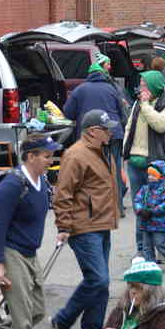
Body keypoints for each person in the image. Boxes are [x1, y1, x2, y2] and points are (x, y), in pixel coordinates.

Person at [52, 109, 120, 329]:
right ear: (93, 131)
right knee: (98, 280)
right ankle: (61, 320)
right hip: (83, 226)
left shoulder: (102, 151)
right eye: (106, 129)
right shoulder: (76, 155)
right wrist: (63, 225)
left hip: (102, 224)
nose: (110, 132)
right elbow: (63, 193)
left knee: (101, 284)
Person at [0, 134, 62, 329]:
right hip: (12, 253)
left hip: (30, 253)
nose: (51, 161)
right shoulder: (12, 184)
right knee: (23, 321)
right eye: (47, 156)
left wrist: (62, 228)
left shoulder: (42, 181)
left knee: (37, 311)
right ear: (31, 157)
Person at [123, 70, 165, 256]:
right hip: (135, 161)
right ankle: (142, 250)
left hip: (156, 163)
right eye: (141, 84)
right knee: (140, 208)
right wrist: (125, 151)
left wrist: (146, 104)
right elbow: (129, 126)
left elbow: (160, 124)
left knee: (158, 209)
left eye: (144, 85)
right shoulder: (138, 103)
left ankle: (161, 247)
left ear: (154, 86)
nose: (141, 88)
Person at [64, 56, 127, 215]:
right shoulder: (112, 89)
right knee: (115, 169)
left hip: (91, 137)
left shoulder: (80, 89)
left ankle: (94, 207)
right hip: (113, 133)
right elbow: (122, 112)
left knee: (91, 171)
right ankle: (118, 207)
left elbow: (68, 112)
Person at [132, 160, 165, 269]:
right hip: (146, 223)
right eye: (149, 174)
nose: (150, 177)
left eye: (153, 175)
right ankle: (151, 266)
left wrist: (152, 211)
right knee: (147, 247)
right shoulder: (145, 189)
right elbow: (137, 200)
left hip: (160, 225)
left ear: (161, 177)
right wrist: (140, 210)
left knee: (161, 245)